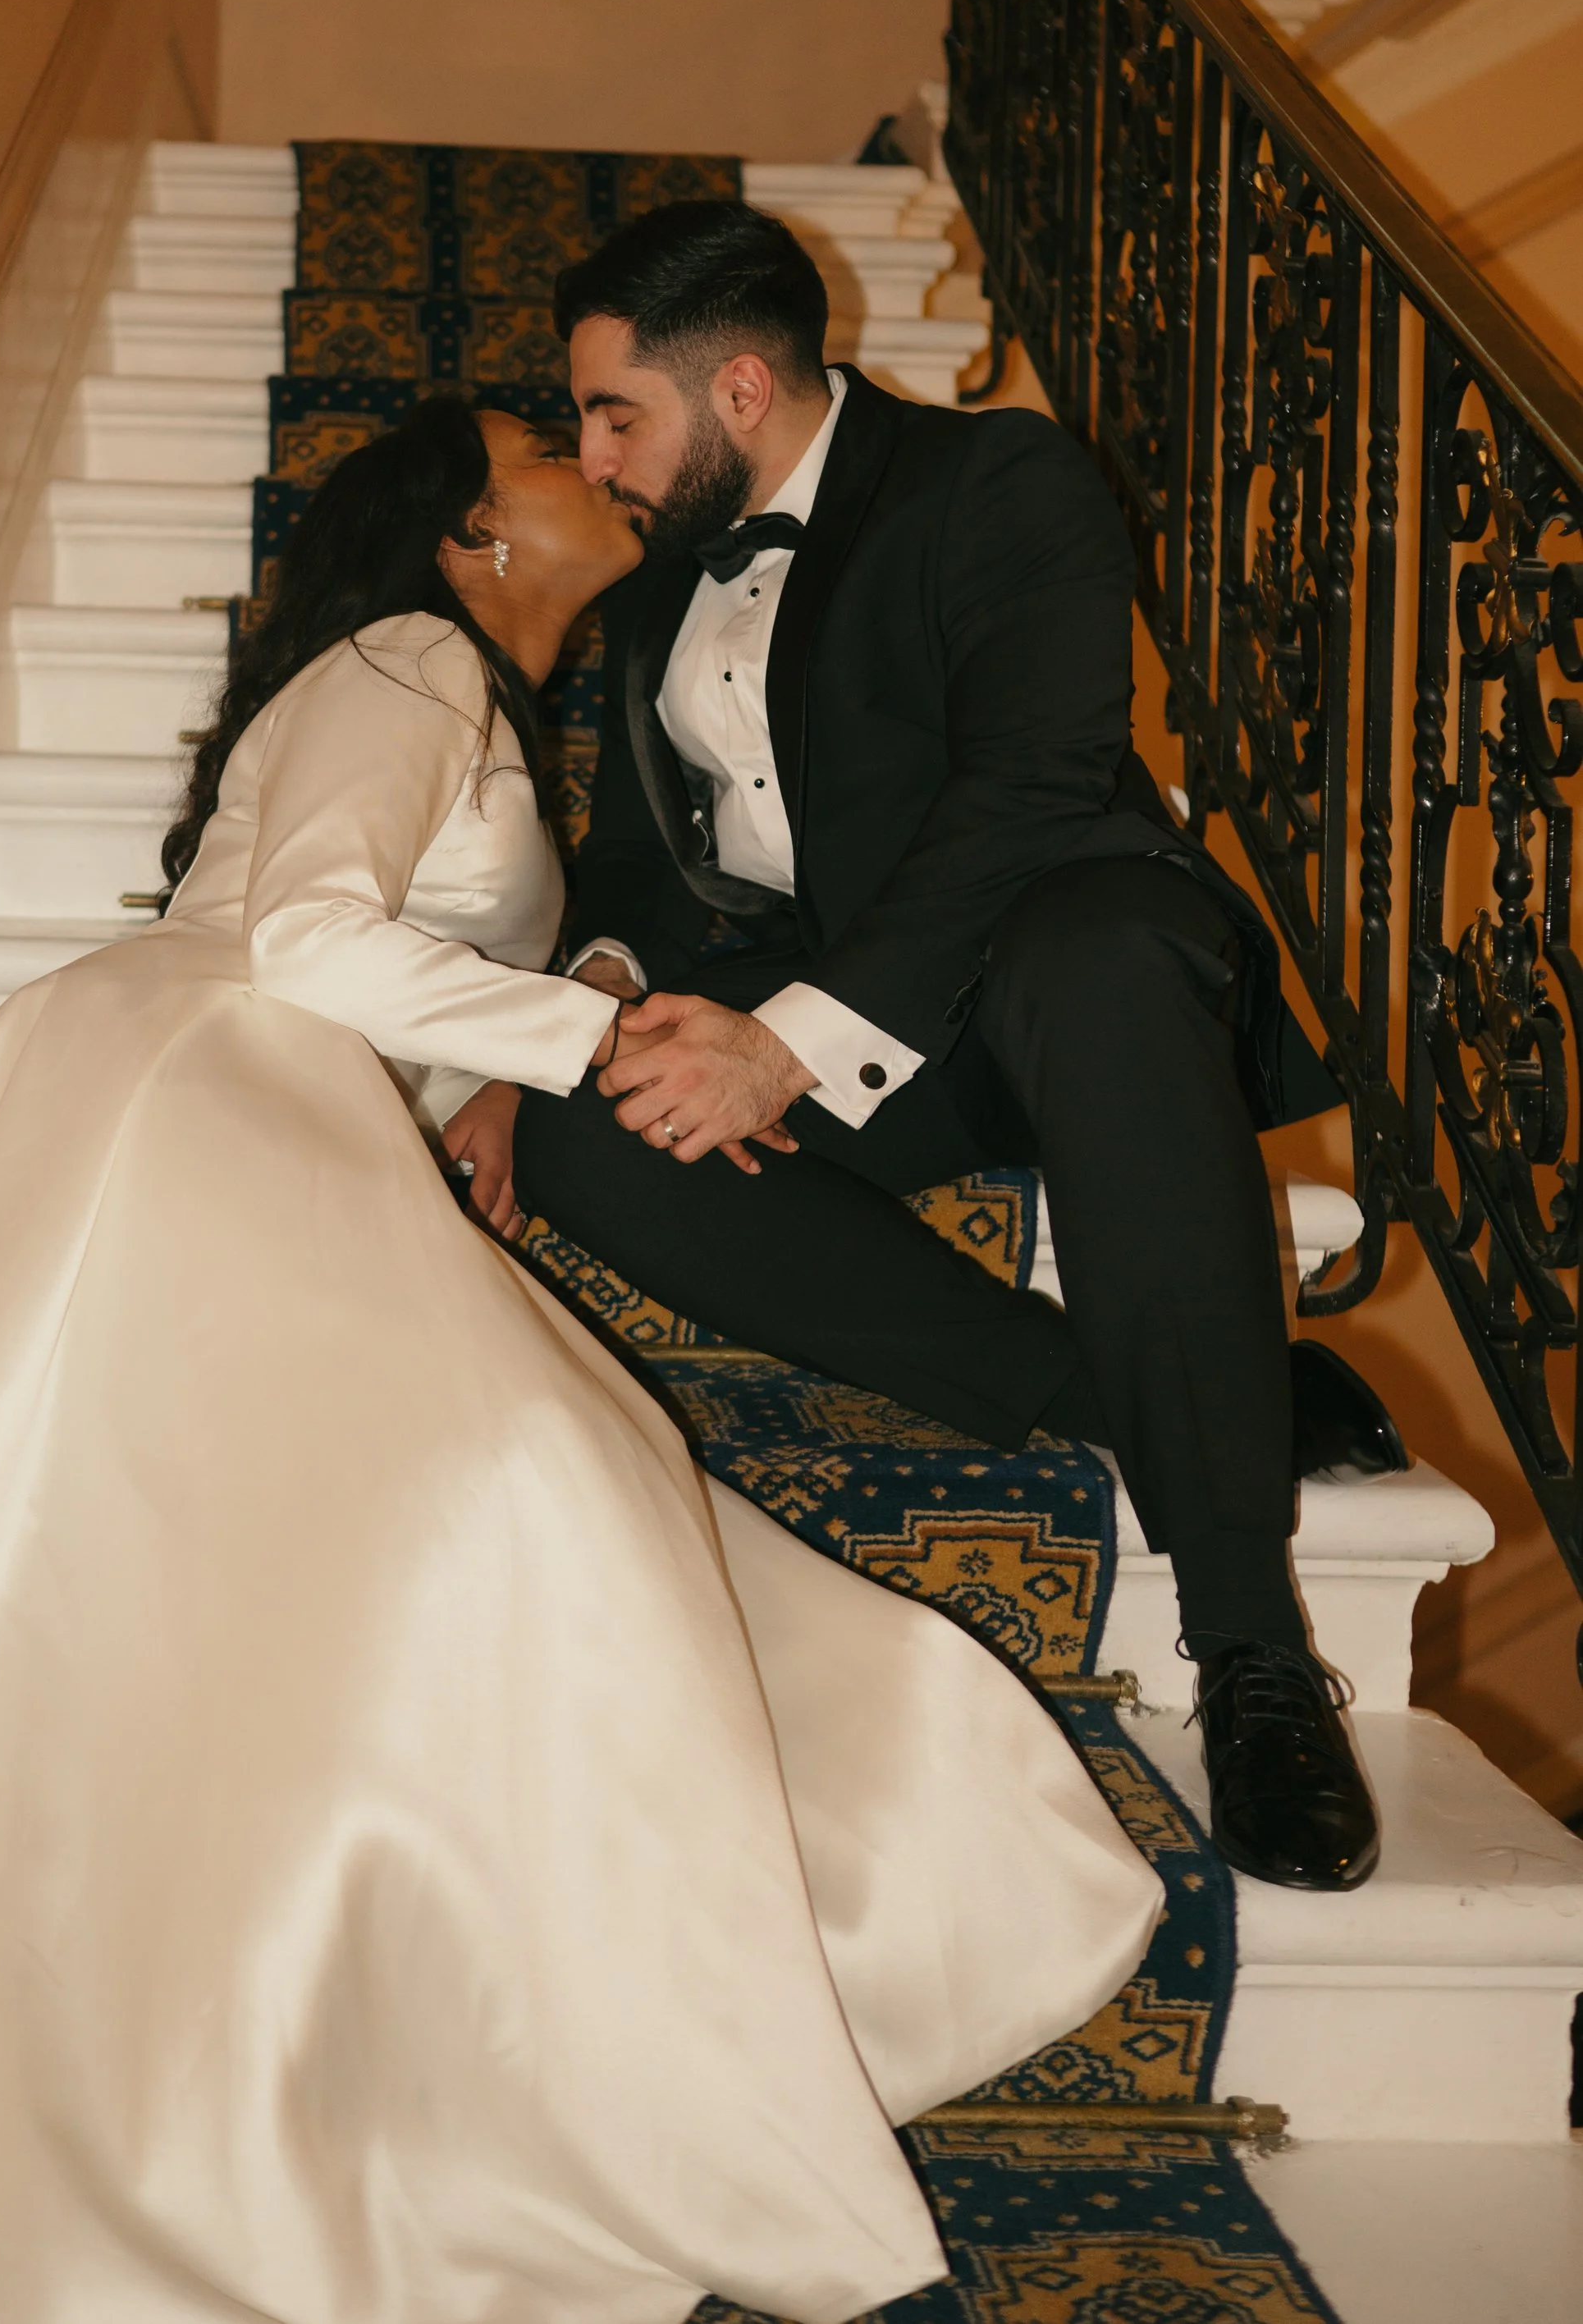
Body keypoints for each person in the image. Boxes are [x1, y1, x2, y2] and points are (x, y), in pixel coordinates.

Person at [0, 395, 1157, 2324]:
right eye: (546, 452)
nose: (588, 461)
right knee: (527, 1497)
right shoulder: (405, 657)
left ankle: (279, 2046)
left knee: (342, 1558)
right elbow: (303, 937)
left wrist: (476, 1081)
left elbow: (378, 950)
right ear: (472, 532)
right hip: (199, 1082)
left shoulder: (472, 696)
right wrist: (598, 1057)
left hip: (227, 1085)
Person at [467, 201, 1406, 1897]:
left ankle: (1253, 1653)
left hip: (1033, 984)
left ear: (739, 388)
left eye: (616, 413)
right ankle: (1159, 1391)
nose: (589, 452)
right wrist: (577, 1008)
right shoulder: (659, 567)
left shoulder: (999, 485)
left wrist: (784, 1047)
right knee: (576, 1131)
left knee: (1105, 954)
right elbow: (631, 865)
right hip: (827, 1012)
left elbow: (1026, 795)